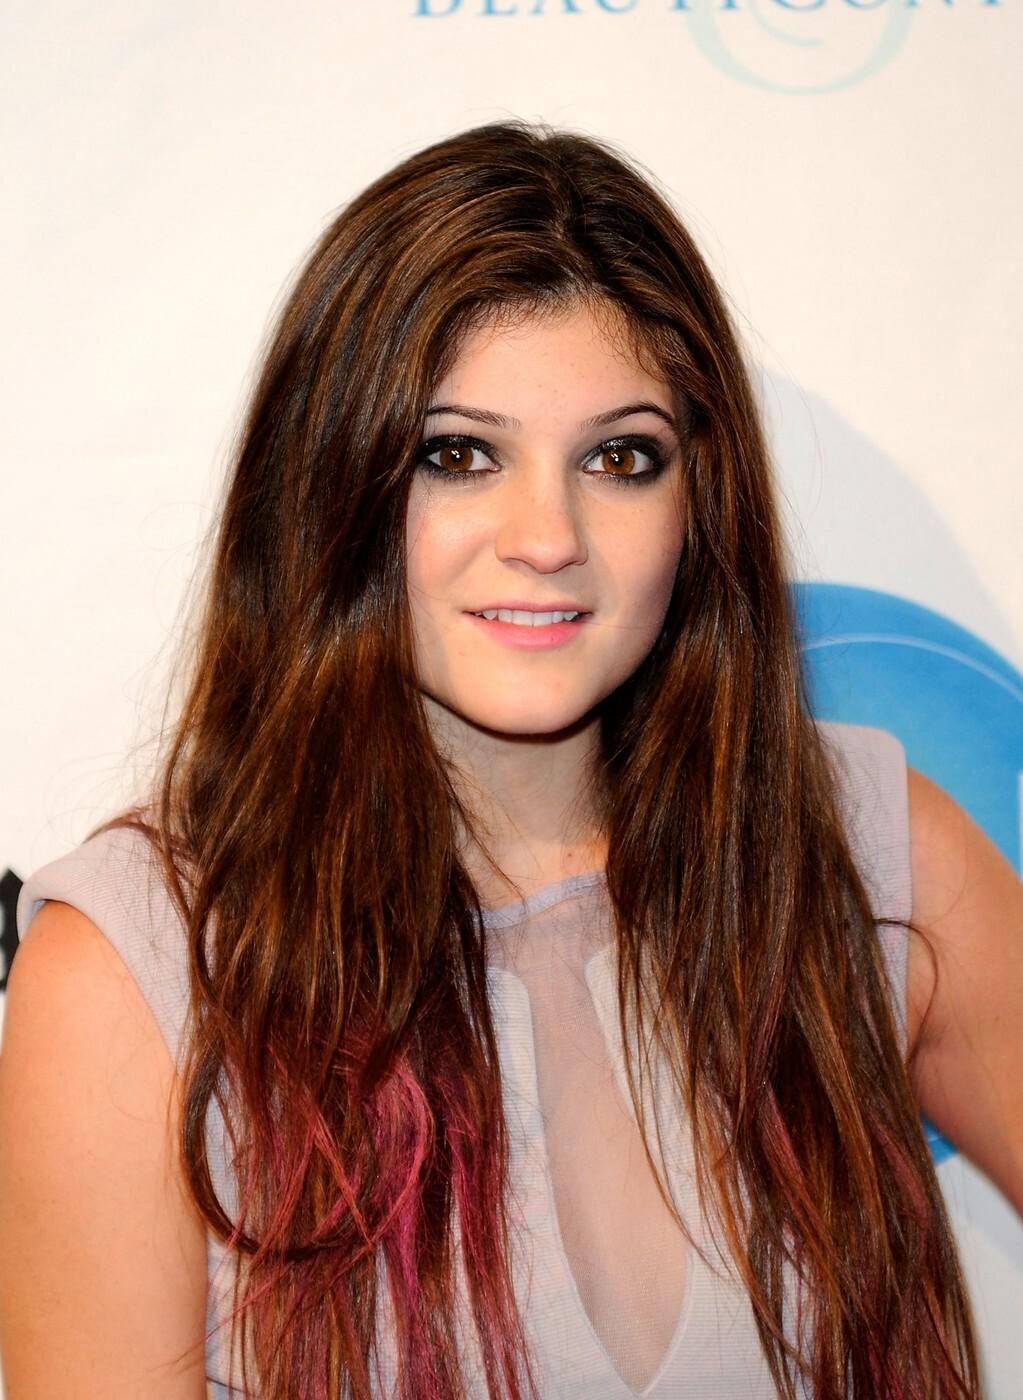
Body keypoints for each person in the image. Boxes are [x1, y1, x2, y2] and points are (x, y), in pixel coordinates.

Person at [0, 120, 1020, 1400]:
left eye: (620, 457)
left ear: (699, 502)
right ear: (332, 483)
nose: (548, 534)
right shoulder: (141, 966)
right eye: (460, 454)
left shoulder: (869, 847)